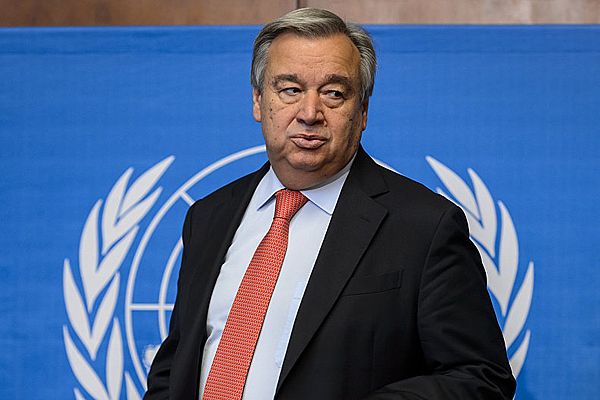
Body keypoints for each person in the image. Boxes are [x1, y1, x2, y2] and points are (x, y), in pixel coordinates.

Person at [144, 8, 516, 400]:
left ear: (363, 111)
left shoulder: (424, 227)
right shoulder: (208, 216)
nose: (309, 114)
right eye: (290, 90)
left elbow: (480, 378)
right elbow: (176, 366)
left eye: (334, 93)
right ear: (258, 101)